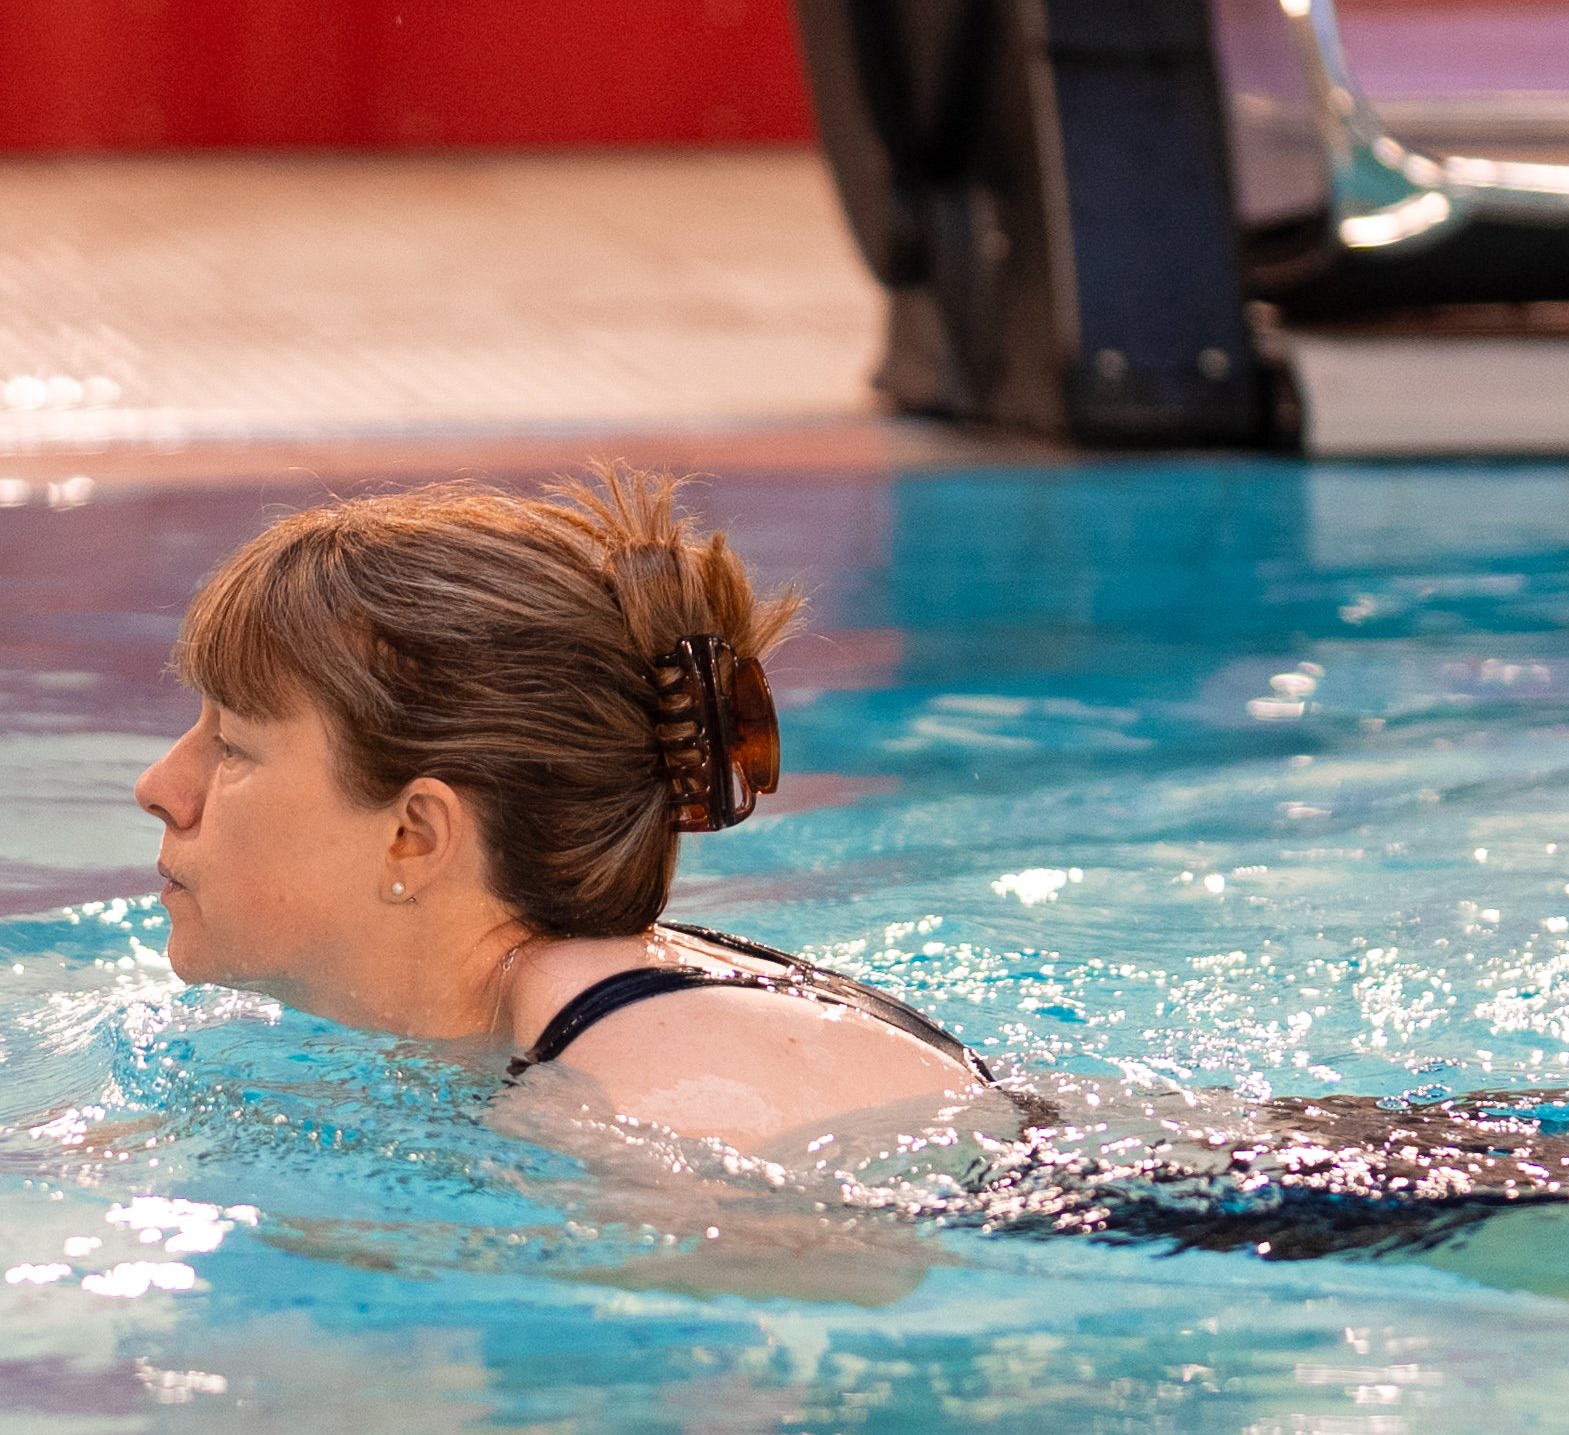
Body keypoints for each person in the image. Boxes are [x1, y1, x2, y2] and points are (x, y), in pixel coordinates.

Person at [133, 468, 1005, 1152]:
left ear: (414, 835)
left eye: (233, 746)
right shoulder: (565, 1025)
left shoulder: (642, 1091)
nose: (160, 787)